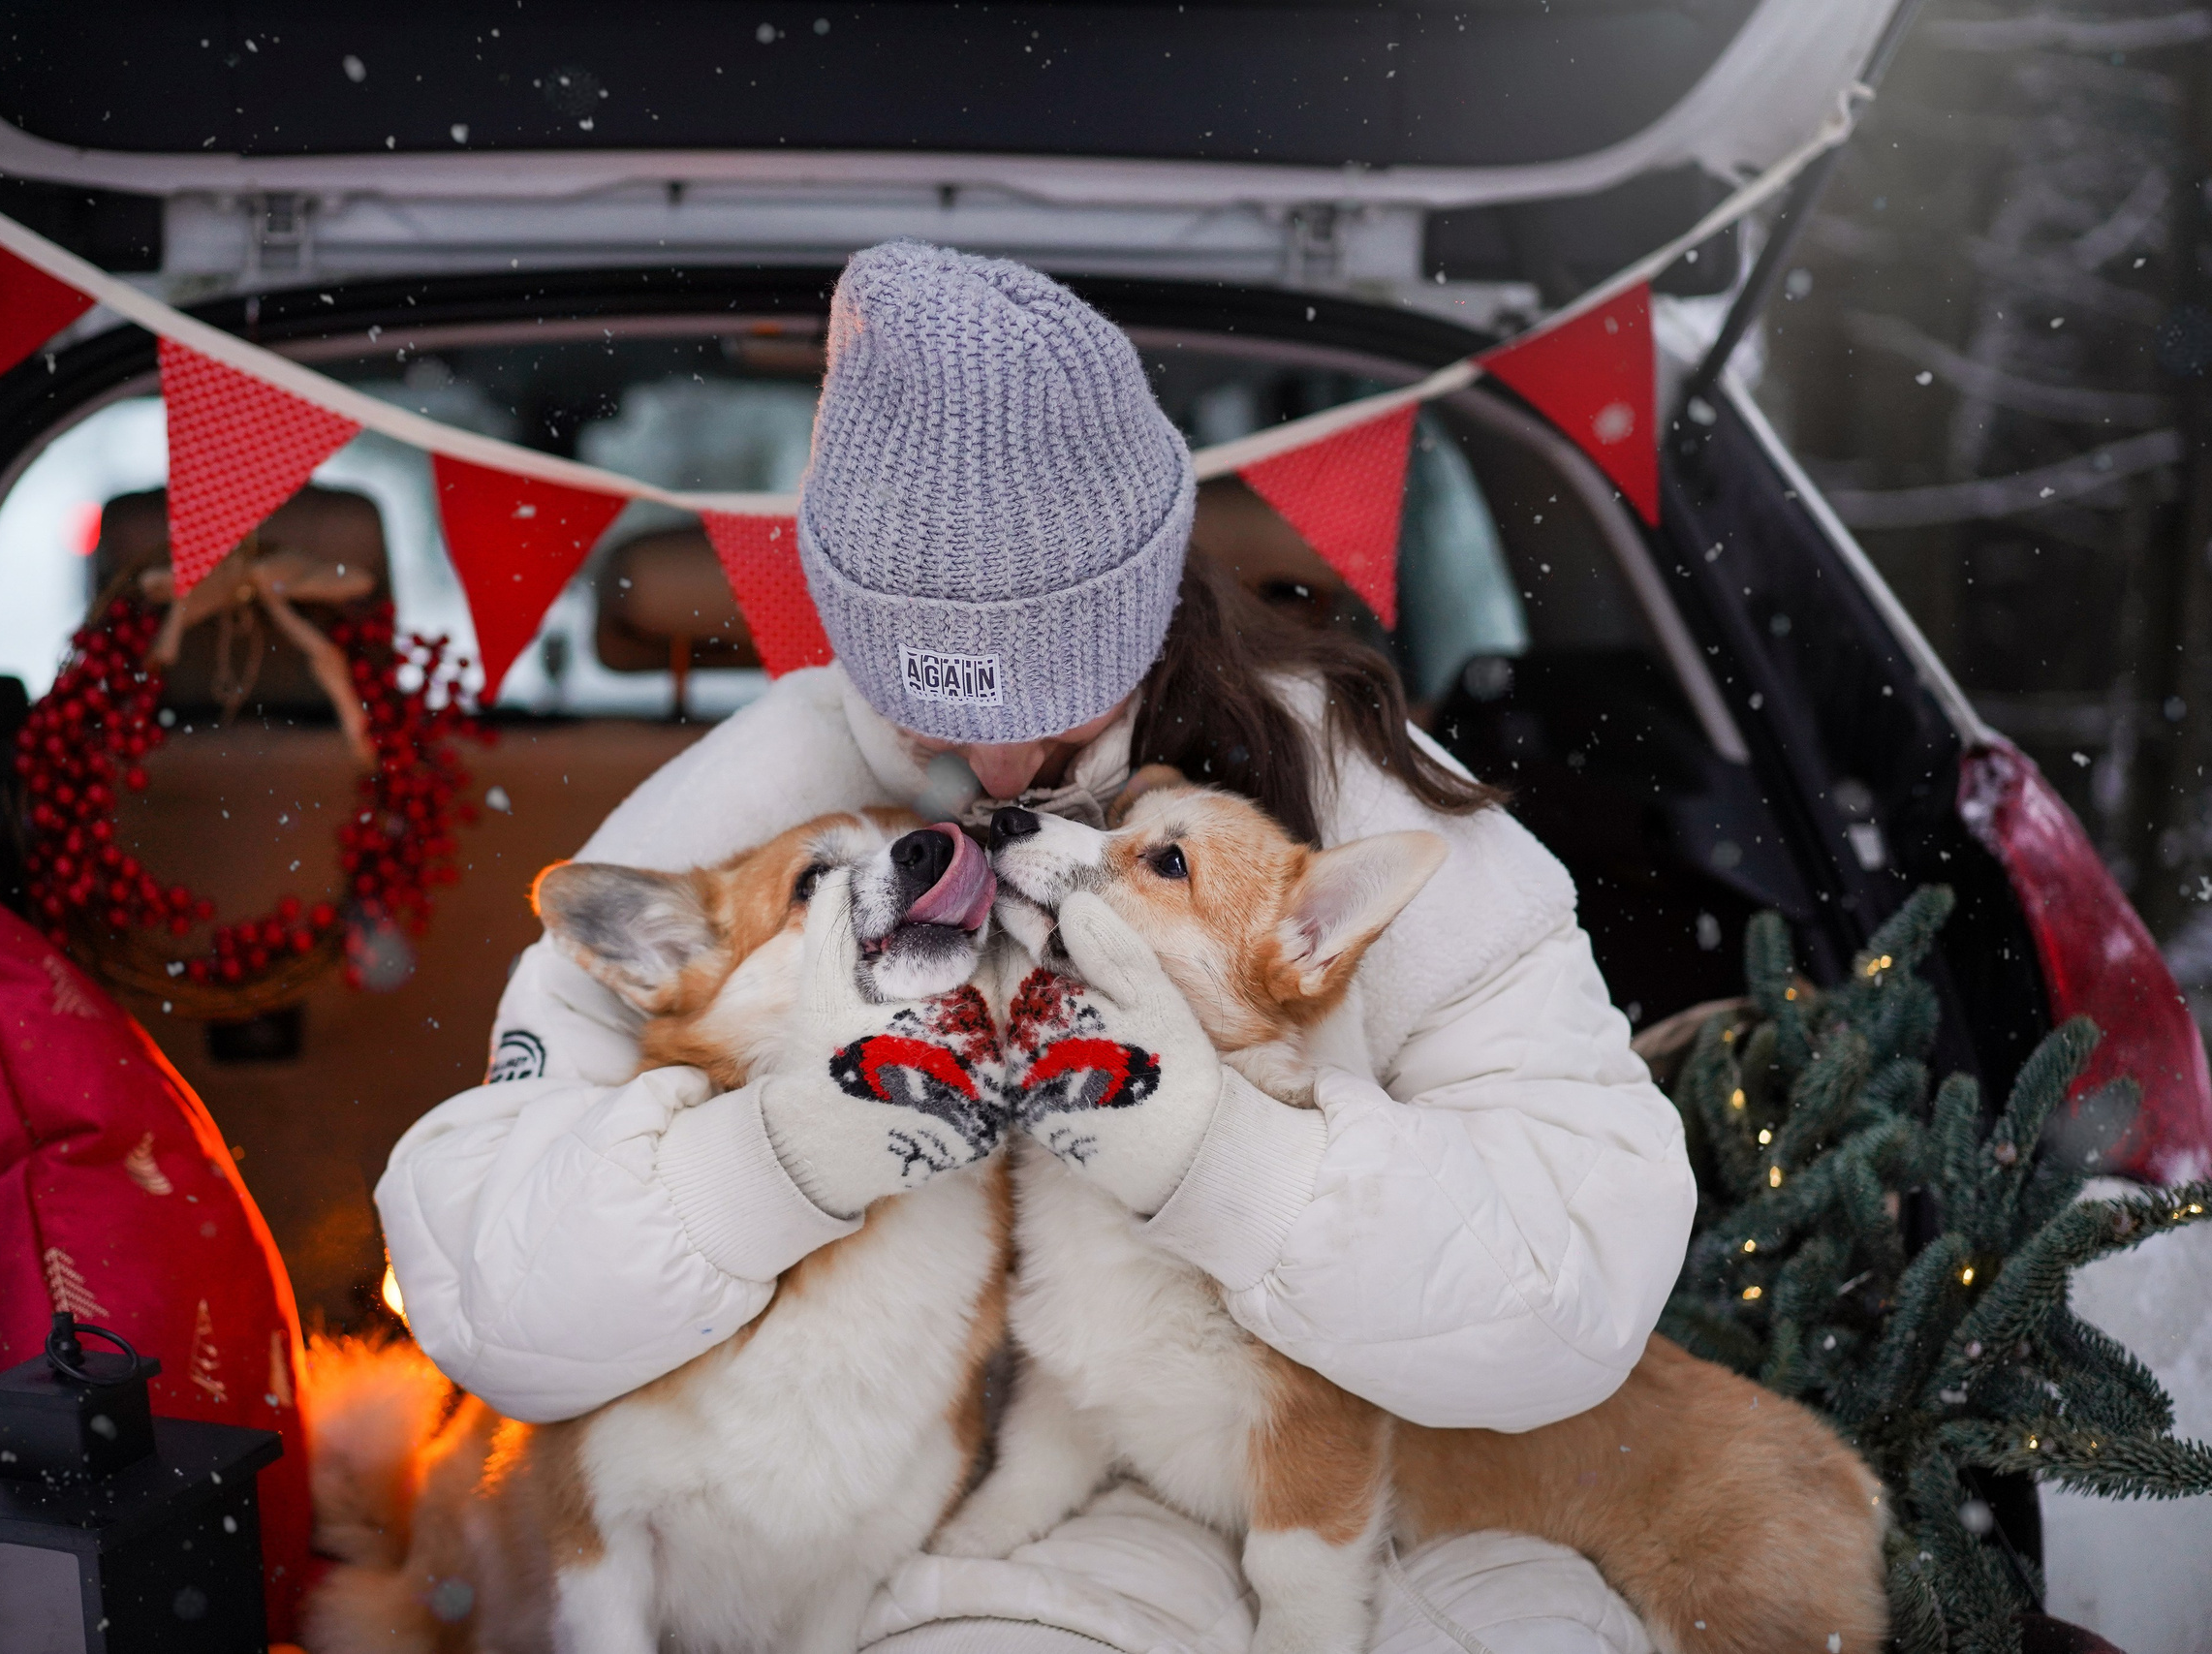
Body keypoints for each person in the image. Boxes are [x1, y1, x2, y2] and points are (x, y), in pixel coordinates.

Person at [375, 240, 1696, 1654]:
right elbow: (490, 1298)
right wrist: (763, 1166)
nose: (999, 768)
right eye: (940, 716)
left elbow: (1581, 1282)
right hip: (905, 1506)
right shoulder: (768, 809)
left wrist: (1229, 1167)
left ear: (1145, 607)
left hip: (1272, 1478)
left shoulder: (1348, 810)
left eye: (1059, 710)